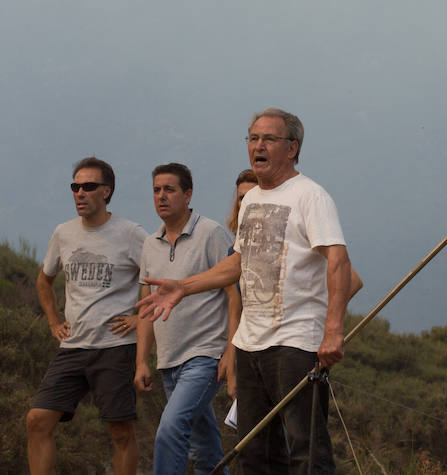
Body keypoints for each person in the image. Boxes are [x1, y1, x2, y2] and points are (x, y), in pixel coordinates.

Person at [138, 108, 362, 474]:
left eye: (268, 139)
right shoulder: (253, 200)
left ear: (292, 148)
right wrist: (184, 286)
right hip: (249, 344)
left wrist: (333, 331)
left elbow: (338, 262)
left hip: (296, 343)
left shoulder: (310, 196)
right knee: (255, 452)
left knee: (307, 450)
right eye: (253, 138)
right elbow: (238, 262)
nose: (257, 146)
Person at [26, 157, 146, 475]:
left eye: (89, 187)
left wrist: (140, 317)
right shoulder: (63, 233)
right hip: (73, 347)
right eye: (75, 187)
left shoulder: (130, 233)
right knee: (37, 420)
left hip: (115, 346)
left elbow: (156, 277)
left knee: (120, 431)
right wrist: (53, 321)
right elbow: (44, 280)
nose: (80, 193)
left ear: (106, 192)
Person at [134, 163, 239, 474]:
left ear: (188, 194)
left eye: (169, 189)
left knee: (171, 428)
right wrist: (141, 360)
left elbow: (236, 296)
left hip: (205, 356)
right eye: (156, 190)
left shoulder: (212, 233)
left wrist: (231, 351)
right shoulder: (149, 245)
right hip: (169, 362)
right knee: (204, 450)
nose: (161, 196)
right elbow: (146, 308)